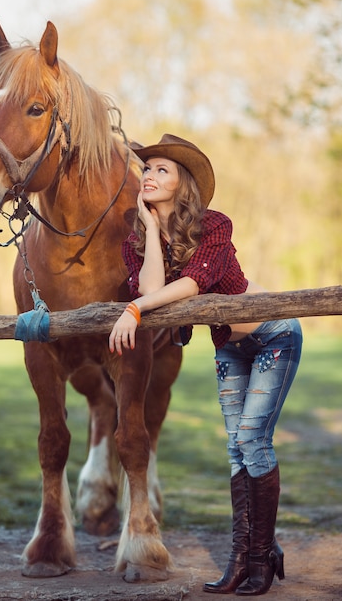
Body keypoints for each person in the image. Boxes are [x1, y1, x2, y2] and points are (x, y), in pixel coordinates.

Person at [108, 134, 302, 596]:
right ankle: (244, 558)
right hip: (230, 349)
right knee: (236, 448)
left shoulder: (215, 225)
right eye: (147, 169)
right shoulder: (134, 244)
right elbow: (151, 291)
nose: (149, 176)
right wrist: (152, 232)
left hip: (273, 334)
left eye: (162, 170)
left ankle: (259, 558)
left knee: (253, 440)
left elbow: (192, 285)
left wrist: (134, 311)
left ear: (183, 183)